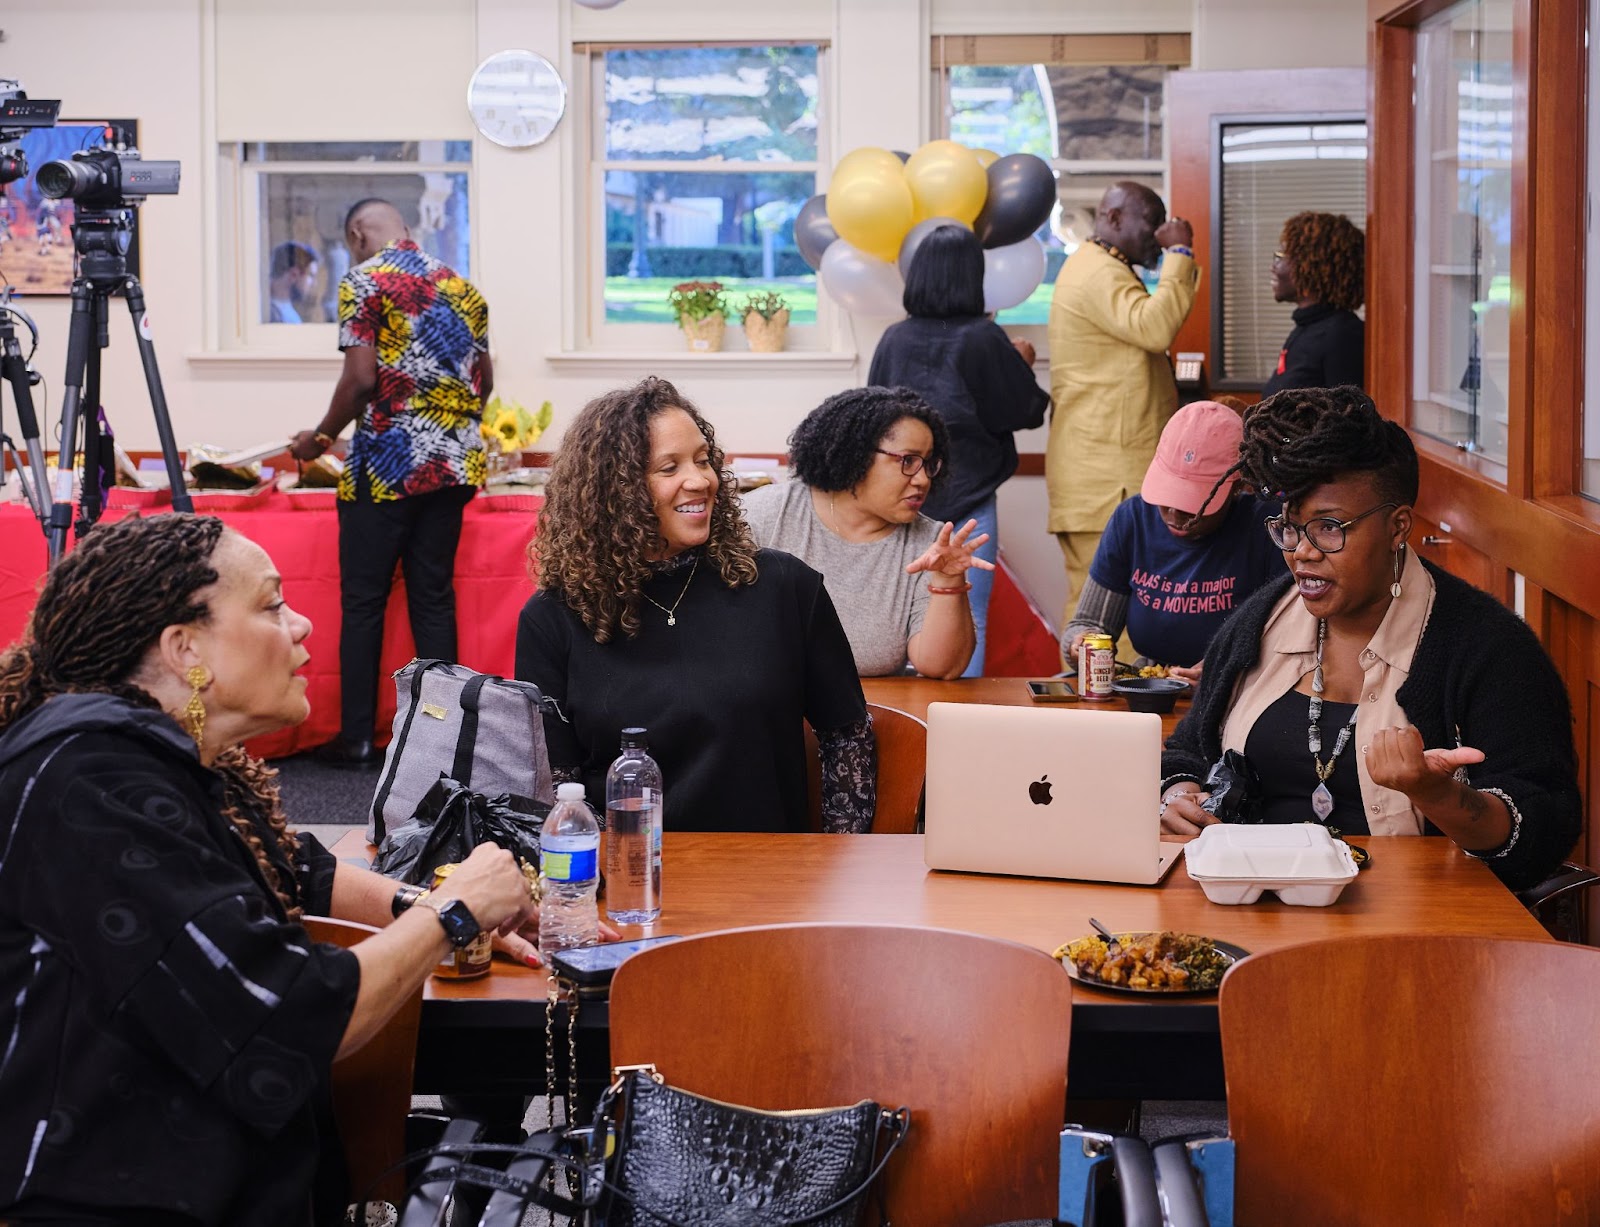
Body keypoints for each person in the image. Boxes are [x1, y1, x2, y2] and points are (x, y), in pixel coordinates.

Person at [0, 514, 537, 1226]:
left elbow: (296, 870)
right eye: (271, 605)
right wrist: (455, 912)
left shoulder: (150, 762)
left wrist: (424, 903)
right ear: (185, 648)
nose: (303, 624)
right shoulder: (92, 784)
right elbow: (285, 1012)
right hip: (113, 1198)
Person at [1158, 387, 1580, 890]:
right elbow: (1188, 747)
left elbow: (1547, 830)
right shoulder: (1262, 619)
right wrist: (1178, 793)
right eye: (1290, 529)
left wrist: (1438, 795)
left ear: (1397, 526)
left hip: (1413, 927)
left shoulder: (1489, 649)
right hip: (1247, 903)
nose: (1302, 554)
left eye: (1329, 528)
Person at [517, 377, 875, 834]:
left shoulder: (785, 587)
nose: (700, 480)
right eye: (669, 468)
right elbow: (555, 786)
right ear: (614, 490)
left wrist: (839, 860)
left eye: (704, 461)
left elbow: (848, 738)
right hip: (630, 885)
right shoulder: (554, 617)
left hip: (773, 881)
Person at [289, 199, 492, 767]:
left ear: (357, 234)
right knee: (432, 598)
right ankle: (443, 740)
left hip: (387, 467)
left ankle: (356, 738)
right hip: (452, 468)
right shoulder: (463, 289)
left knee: (363, 602)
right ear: (406, 229)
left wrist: (320, 439)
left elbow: (359, 381)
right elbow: (484, 383)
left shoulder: (364, 280)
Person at [868, 225, 1049, 676]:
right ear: (973, 277)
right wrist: (1020, 364)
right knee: (967, 621)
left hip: (895, 503)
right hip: (968, 501)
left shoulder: (894, 338)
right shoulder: (983, 339)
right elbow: (1022, 411)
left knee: (897, 622)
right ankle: (959, 734)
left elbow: (868, 419)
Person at [743, 386, 991, 678]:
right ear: (856, 455)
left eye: (928, 463)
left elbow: (942, 668)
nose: (923, 479)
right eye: (908, 461)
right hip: (760, 710)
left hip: (871, 715)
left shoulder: (929, 542)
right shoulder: (764, 515)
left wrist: (948, 581)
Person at [1046, 181, 1200, 625]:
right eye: (1151, 223)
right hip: (1103, 480)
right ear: (1112, 218)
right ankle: (1093, 697)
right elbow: (1154, 328)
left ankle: (1095, 695)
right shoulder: (1098, 271)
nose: (1158, 235)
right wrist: (1180, 256)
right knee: (1101, 619)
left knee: (1102, 614)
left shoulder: (1101, 266)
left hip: (1099, 477)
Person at [1061, 399, 1281, 680]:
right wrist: (1080, 644)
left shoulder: (1267, 527)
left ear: (1238, 486)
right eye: (1167, 495)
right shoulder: (1132, 520)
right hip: (1152, 687)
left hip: (1242, 690)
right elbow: (1088, 623)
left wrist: (1228, 670)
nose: (1174, 513)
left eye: (1194, 503)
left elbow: (1292, 641)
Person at [1260, 211, 1365, 396]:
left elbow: (1346, 419)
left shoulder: (1342, 334)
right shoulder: (1305, 329)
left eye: (1282, 255)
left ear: (1311, 264)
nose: (1274, 266)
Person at [268, 239, 320, 324]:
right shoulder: (267, 313)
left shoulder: (290, 315)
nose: (314, 284)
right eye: (311, 275)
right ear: (294, 274)